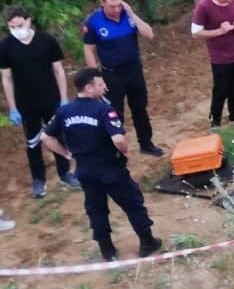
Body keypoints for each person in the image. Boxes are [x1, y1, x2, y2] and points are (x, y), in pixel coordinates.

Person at [41, 67, 163, 262]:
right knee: (132, 203)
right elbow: (117, 139)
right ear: (89, 88)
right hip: (110, 168)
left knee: (96, 209)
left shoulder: (64, 111)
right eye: (100, 84)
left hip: (84, 170)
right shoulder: (103, 109)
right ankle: (147, 242)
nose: (104, 87)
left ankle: (108, 251)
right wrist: (125, 151)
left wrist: (66, 154)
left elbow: (46, 137)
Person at [0, 5, 80, 198]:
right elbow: (6, 78)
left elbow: (59, 71)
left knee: (58, 137)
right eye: (12, 27)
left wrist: (63, 98)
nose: (16, 29)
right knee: (33, 141)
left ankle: (65, 173)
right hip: (25, 103)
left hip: (51, 99)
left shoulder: (46, 40)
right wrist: (12, 107)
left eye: (19, 25)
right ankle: (38, 180)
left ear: (28, 20)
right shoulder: (5, 46)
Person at [82, 0, 164, 157]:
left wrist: (132, 14)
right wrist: (96, 78)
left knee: (140, 108)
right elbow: (89, 50)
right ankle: (116, 150)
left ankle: (146, 143)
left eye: (119, 5)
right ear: (102, 3)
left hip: (134, 71)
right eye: (112, 6)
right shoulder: (93, 21)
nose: (116, 9)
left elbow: (149, 34)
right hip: (111, 75)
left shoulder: (128, 15)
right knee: (114, 113)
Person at [191, 0, 234, 129]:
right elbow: (196, 32)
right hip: (220, 58)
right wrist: (220, 31)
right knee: (220, 90)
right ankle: (215, 121)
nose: (228, 1)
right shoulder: (203, 6)